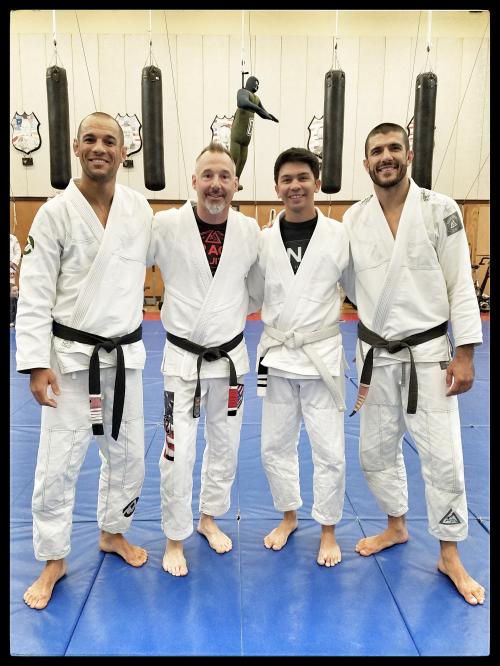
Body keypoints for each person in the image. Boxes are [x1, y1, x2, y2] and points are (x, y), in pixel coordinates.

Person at [342, 122, 485, 605]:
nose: (385, 156)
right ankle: (396, 525)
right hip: (376, 356)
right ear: (365, 163)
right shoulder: (354, 218)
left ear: (409, 155)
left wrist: (465, 352)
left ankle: (449, 553)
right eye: (376, 150)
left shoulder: (441, 210)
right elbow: (344, 282)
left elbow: (459, 284)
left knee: (443, 456)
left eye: (393, 148)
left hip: (429, 356)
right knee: (375, 452)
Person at [15, 112, 153, 609]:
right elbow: (34, 293)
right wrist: (35, 362)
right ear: (75, 147)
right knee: (58, 462)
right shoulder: (54, 213)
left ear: (123, 152)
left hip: (124, 356)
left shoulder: (139, 210)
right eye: (90, 139)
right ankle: (54, 558)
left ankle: (113, 532)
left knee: (129, 456)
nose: (100, 147)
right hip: (69, 359)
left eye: (109, 141)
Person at [148, 142, 260, 577]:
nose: (216, 184)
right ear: (193, 181)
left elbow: (258, 289)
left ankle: (209, 518)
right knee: (177, 451)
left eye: (224, 176)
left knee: (226, 446)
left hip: (230, 360)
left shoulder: (249, 231)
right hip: (183, 362)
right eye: (207, 175)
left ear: (236, 184)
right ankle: (175, 537)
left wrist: (227, 315)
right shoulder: (165, 226)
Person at [248, 147, 349, 566]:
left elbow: (360, 288)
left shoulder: (339, 235)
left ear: (317, 183)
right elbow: (253, 293)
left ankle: (327, 529)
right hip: (278, 359)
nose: (295, 186)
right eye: (287, 179)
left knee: (330, 452)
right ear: (277, 187)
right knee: (274, 447)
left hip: (321, 358)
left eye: (303, 178)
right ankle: (288, 516)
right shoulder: (263, 240)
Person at [230, 76, 278, 190]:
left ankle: (236, 180)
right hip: (237, 134)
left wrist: (270, 116)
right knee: (233, 159)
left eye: (258, 84)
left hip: (246, 136)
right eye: (256, 83)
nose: (257, 86)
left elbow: (262, 112)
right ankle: (229, 178)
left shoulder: (256, 98)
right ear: (249, 83)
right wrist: (258, 109)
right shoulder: (243, 92)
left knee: (243, 159)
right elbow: (242, 102)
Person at [10, 231, 21, 326]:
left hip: (10, 270)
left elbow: (18, 253)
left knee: (12, 296)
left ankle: (11, 319)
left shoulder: (13, 239)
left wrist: (12, 264)